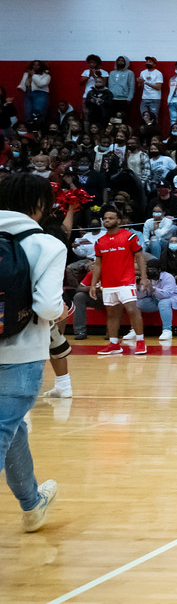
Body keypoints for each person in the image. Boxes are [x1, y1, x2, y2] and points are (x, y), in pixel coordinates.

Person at [0, 173, 67, 532]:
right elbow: (46, 307)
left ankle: (32, 504)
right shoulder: (47, 245)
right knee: (3, 429)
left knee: (12, 432)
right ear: (40, 204)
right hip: (20, 354)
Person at [91, 207, 149, 356]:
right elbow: (98, 265)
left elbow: (140, 257)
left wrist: (143, 277)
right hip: (108, 283)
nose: (107, 220)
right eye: (105, 218)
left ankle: (140, 341)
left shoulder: (129, 237)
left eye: (110, 218)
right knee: (111, 314)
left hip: (126, 281)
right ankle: (114, 344)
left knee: (131, 309)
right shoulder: (99, 242)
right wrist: (93, 284)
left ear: (118, 221)